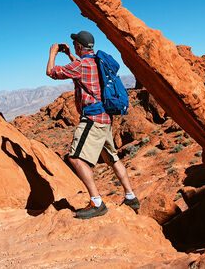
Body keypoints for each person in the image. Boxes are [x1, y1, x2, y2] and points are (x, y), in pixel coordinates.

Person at [46, 30, 139, 219]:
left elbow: (51, 72)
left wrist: (53, 52)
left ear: (79, 46)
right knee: (113, 158)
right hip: (105, 118)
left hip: (93, 119)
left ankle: (97, 203)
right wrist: (69, 54)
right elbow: (81, 67)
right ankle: (131, 197)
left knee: (75, 158)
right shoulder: (97, 61)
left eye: (75, 45)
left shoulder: (80, 65)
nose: (74, 47)